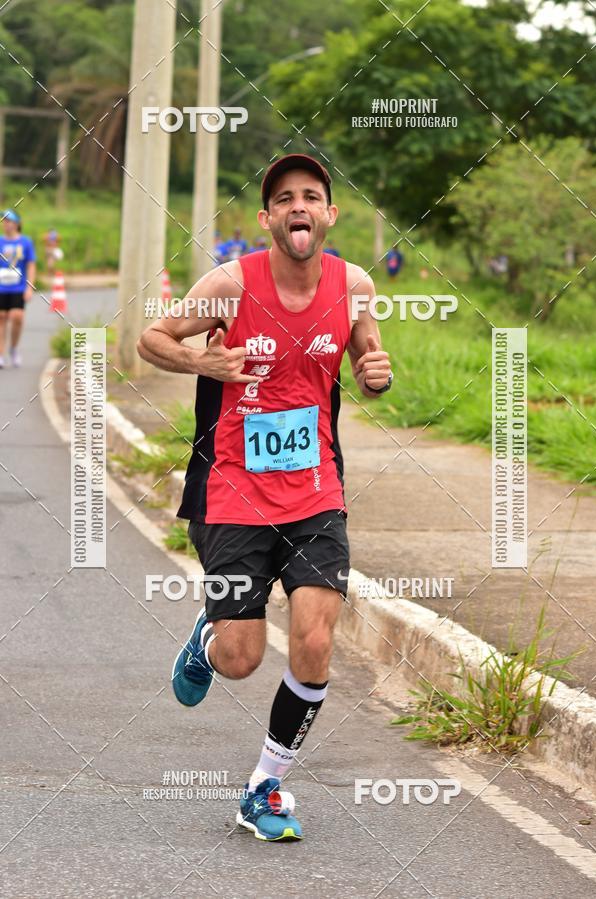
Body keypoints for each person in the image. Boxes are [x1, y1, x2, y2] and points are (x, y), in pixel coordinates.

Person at [137, 153, 392, 842]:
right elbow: (151, 338)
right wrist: (201, 360)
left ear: (329, 214)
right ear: (267, 218)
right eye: (283, 198)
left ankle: (263, 786)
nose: (297, 206)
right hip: (230, 490)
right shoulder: (230, 284)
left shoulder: (355, 285)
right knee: (241, 658)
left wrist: (376, 374)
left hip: (315, 491)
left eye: (310, 195)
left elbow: (368, 365)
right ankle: (209, 635)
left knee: (315, 638)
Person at [0, 210, 36, 368]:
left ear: (17, 224)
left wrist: (29, 287)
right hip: (1, 287)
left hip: (18, 287)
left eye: (10, 221)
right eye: (4, 221)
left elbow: (31, 265)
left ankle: (13, 348)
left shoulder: (25, 242)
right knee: (1, 318)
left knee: (17, 317)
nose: (6, 224)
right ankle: (0, 354)